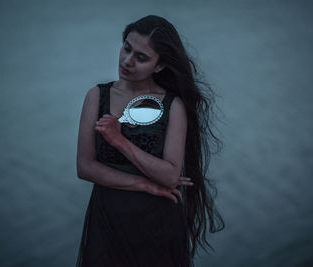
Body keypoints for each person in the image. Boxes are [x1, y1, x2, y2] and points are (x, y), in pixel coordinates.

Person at [75, 15, 224, 267]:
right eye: (127, 48)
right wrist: (144, 185)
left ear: (159, 66)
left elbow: (169, 176)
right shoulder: (97, 96)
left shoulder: (172, 105)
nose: (127, 60)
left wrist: (119, 140)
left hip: (157, 224)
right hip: (107, 221)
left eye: (141, 57)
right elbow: (85, 167)